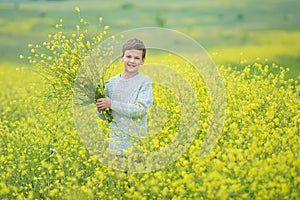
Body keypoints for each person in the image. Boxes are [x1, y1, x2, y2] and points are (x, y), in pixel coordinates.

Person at [96, 38, 153, 156]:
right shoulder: (110, 83)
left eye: (137, 58)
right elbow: (105, 117)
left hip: (136, 146)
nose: (132, 61)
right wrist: (101, 109)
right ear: (122, 57)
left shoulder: (144, 82)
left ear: (143, 61)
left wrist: (112, 104)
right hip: (116, 145)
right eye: (128, 57)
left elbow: (140, 110)